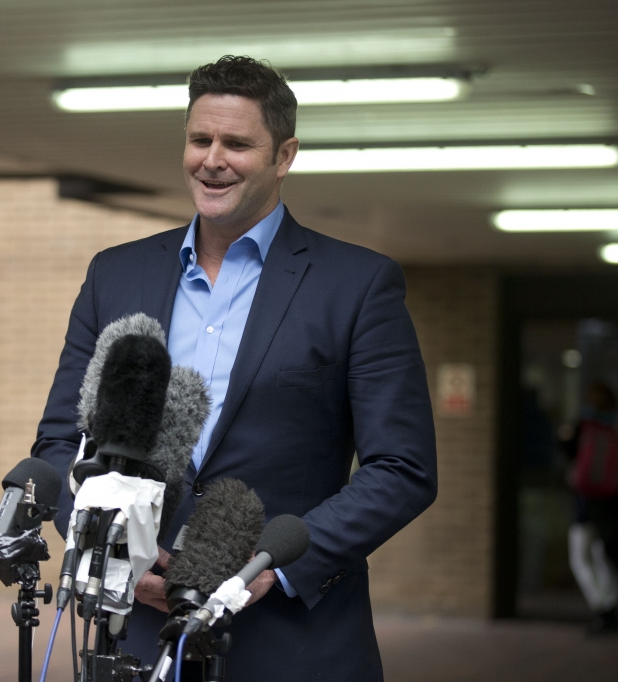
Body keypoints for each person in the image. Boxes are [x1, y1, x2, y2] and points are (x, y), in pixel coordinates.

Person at [33, 55, 437, 681]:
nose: (212, 159)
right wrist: (112, 556)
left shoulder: (357, 286)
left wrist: (274, 567)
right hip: (133, 636)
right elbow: (61, 441)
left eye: (237, 143)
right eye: (200, 139)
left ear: (285, 155)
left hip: (293, 642)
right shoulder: (115, 274)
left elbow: (403, 468)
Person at [563, 382, 618, 634]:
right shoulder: (614, 429)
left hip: (585, 503)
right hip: (610, 504)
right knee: (602, 557)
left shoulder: (583, 426)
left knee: (580, 557)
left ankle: (603, 608)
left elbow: (565, 451)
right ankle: (610, 608)